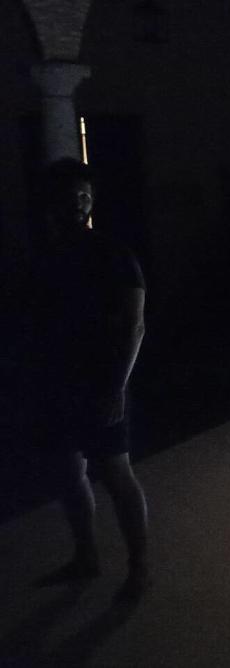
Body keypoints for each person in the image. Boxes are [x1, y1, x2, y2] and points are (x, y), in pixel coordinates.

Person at [26, 158, 150, 599]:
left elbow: (135, 325)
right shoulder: (46, 255)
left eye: (84, 195)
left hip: (99, 383)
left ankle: (139, 568)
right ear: (51, 201)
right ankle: (86, 556)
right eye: (70, 196)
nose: (78, 203)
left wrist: (117, 385)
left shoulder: (113, 253)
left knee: (116, 473)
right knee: (68, 472)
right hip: (57, 381)